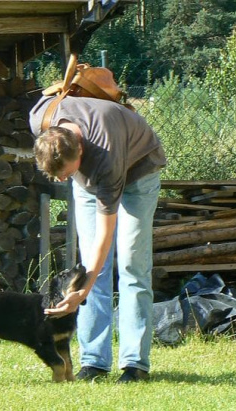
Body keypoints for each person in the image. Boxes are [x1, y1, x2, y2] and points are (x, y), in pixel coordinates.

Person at [29, 94, 166, 383]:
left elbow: (105, 237)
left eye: (66, 173)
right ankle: (94, 362)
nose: (62, 181)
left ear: (80, 149)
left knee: (132, 265)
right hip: (90, 180)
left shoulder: (105, 154)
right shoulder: (41, 120)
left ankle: (134, 364)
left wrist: (80, 293)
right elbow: (48, 97)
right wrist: (85, 284)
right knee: (91, 269)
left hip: (138, 173)